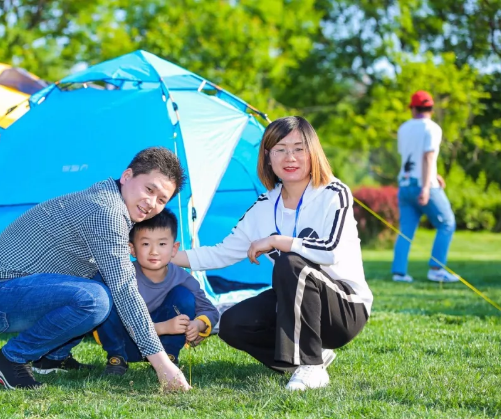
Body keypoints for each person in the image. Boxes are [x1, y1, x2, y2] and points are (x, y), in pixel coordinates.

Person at [173, 116, 373, 391]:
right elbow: (221, 253)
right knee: (233, 324)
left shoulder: (333, 193)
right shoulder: (264, 205)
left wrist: (278, 241)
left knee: (290, 263)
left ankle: (311, 367)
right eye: (280, 149)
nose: (290, 157)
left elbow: (332, 253)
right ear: (268, 157)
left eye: (299, 148)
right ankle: (310, 356)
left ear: (312, 153)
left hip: (345, 307)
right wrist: (164, 256)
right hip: (293, 305)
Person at [0, 147, 191, 391]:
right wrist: (162, 365)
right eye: (149, 189)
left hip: (12, 290)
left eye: (162, 200)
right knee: (95, 299)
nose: (152, 204)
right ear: (127, 176)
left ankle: (51, 358)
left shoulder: (113, 201)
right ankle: (12, 359)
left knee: (101, 280)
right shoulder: (106, 211)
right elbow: (125, 290)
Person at [95, 208, 219, 375]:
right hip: (126, 342)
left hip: (161, 343)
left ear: (174, 248)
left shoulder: (183, 277)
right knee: (106, 295)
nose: (154, 251)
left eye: (162, 244)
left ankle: (169, 357)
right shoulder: (122, 274)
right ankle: (116, 359)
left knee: (184, 296)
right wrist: (162, 327)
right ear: (132, 249)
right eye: (146, 244)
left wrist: (198, 324)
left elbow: (210, 310)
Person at [391, 91, 458, 283]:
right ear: (431, 108)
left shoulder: (403, 128)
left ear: (413, 108)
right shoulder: (433, 128)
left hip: (404, 185)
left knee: (406, 231)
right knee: (447, 223)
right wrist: (427, 186)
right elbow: (427, 156)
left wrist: (433, 174)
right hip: (424, 186)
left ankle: (399, 273)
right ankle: (437, 270)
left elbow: (410, 157)